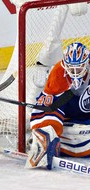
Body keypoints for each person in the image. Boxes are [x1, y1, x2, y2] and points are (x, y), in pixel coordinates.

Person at [25, 42, 90, 170]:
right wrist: (46, 134)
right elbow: (47, 108)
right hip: (68, 119)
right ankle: (43, 143)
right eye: (71, 69)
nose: (75, 72)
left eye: (79, 68)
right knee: (49, 127)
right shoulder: (58, 73)